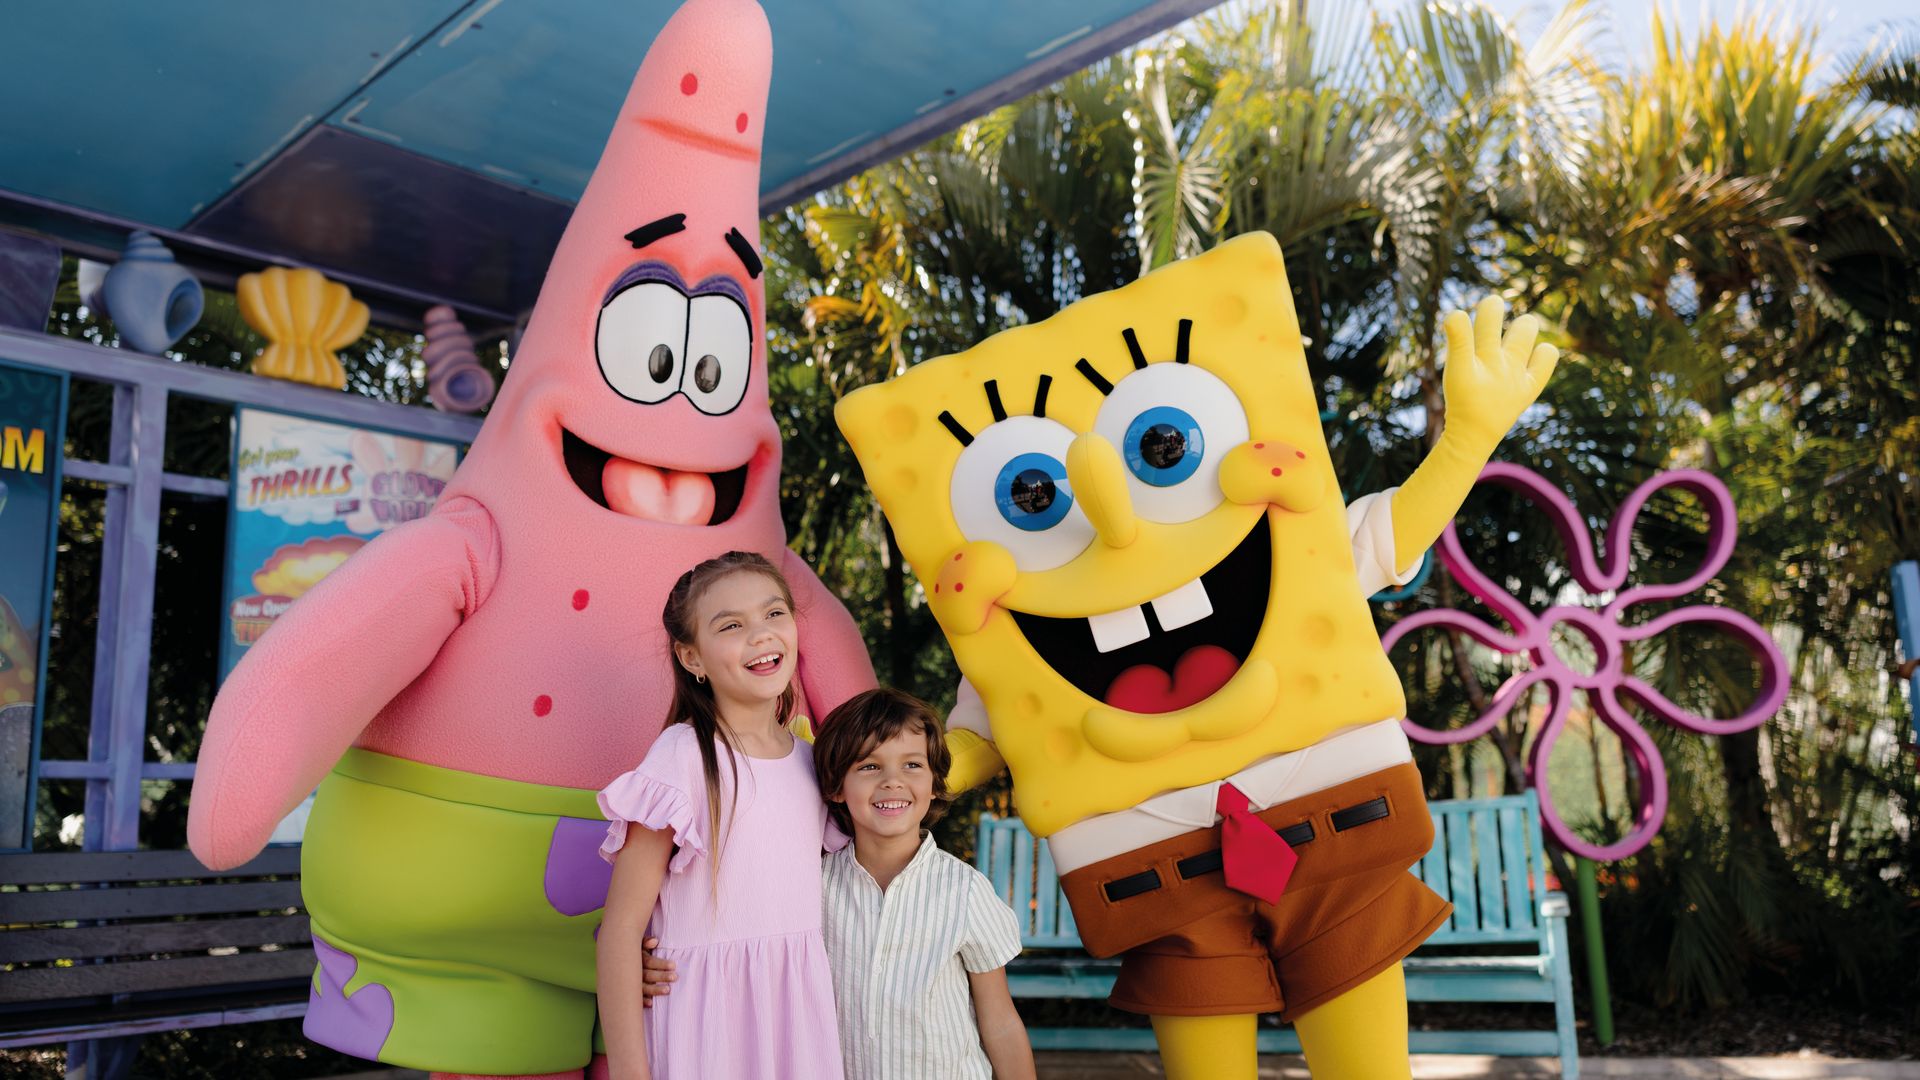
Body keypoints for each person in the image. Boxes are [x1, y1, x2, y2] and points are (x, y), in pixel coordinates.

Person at [641, 687, 1037, 1080]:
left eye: (912, 765)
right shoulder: (812, 887)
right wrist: (648, 965)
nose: (892, 782)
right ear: (835, 788)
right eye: (869, 767)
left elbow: (1000, 1021)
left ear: (935, 783)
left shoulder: (965, 891)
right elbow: (740, 936)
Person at [596, 551, 844, 1080]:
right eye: (732, 625)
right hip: (704, 1024)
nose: (761, 634)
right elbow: (621, 929)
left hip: (796, 1021)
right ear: (692, 658)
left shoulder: (813, 762)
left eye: (774, 613)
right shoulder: (682, 756)